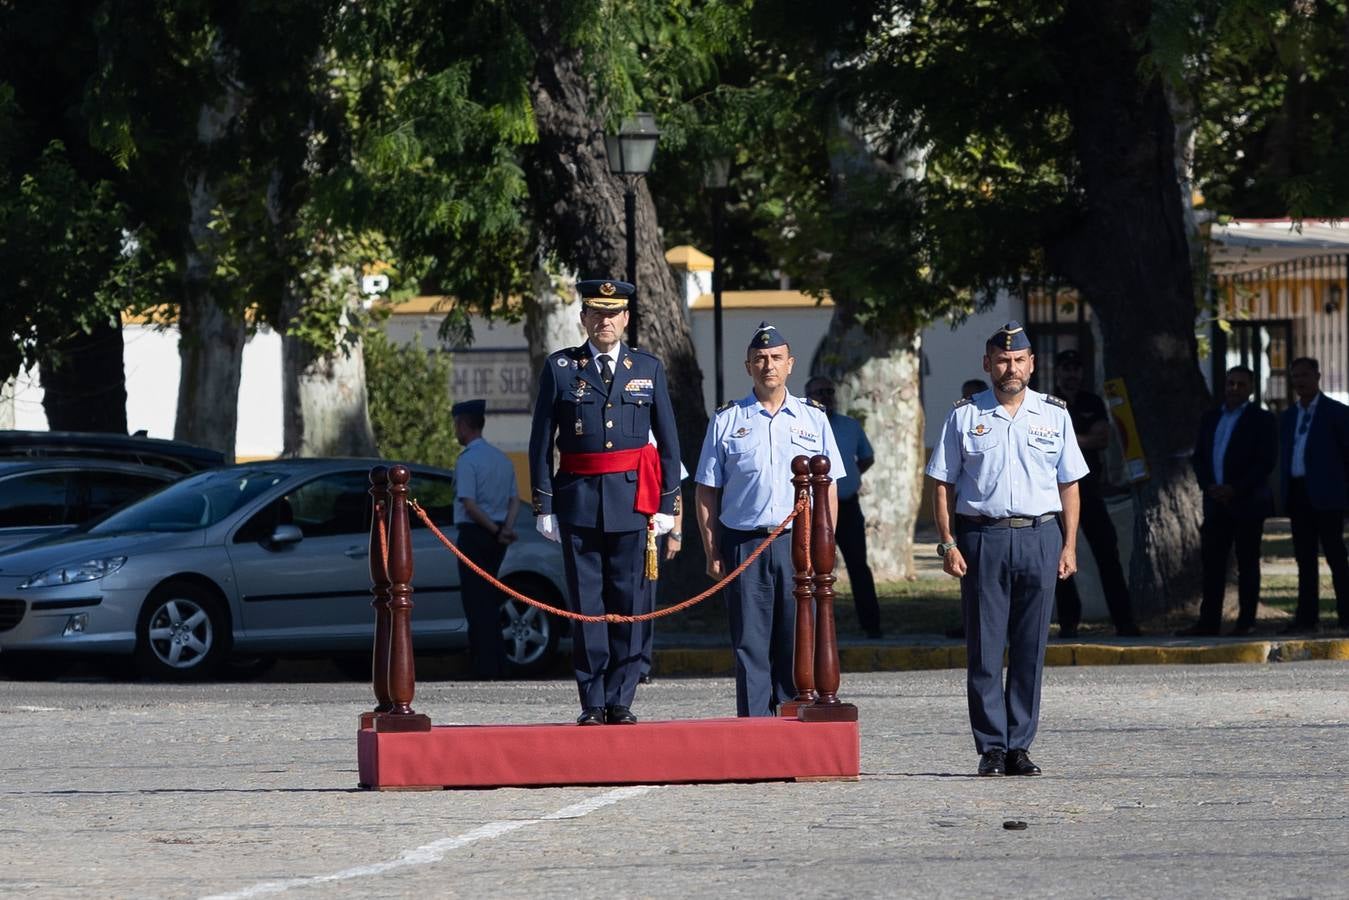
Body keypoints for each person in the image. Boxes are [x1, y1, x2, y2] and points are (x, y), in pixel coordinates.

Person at [925, 321, 1088, 777]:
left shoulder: (1054, 414)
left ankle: (1020, 744)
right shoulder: (963, 415)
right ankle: (992, 746)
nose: (1010, 368)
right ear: (986, 363)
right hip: (983, 537)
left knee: (1030, 646)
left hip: (1040, 534)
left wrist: (1069, 544)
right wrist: (947, 544)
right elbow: (942, 484)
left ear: (1032, 365)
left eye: (1018, 360)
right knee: (984, 647)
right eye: (1001, 360)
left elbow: (1069, 484)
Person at [528, 278, 680, 725]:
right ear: (584, 319)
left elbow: (669, 443)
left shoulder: (646, 368)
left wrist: (668, 504)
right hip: (578, 500)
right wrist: (545, 504)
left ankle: (622, 697)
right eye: (596, 313)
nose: (605, 321)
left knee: (630, 602)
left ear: (626, 319)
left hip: (634, 501)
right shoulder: (561, 368)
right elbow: (541, 443)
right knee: (586, 605)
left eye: (613, 314)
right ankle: (592, 700)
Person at [695, 322, 845, 717]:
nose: (768, 365)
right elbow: (707, 489)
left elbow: (829, 488)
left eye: (776, 358)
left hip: (799, 543)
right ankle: (755, 729)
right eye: (760, 359)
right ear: (748, 367)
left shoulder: (813, 418)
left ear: (790, 364)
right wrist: (713, 551)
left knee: (797, 639)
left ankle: (792, 723)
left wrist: (825, 546)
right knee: (749, 641)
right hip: (744, 544)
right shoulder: (727, 419)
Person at [1178, 366, 1276, 637]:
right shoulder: (1211, 418)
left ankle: (1246, 622)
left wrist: (1235, 488)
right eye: (1230, 383)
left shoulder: (1262, 420)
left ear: (1251, 388)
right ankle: (1208, 622)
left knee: (1247, 563)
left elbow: (1265, 461)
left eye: (1241, 384)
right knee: (1212, 565)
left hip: (1246, 503)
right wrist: (1209, 486)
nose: (1234, 389)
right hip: (1215, 502)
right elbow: (1199, 457)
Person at [1050, 349, 1140, 637]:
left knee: (1107, 554)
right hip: (1056, 494)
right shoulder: (1048, 404)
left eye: (1076, 369)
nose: (1071, 374)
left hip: (1090, 490)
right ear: (1057, 372)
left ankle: (1124, 622)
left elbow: (1101, 439)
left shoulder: (1092, 402)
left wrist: (1067, 439)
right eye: (1066, 368)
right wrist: (1080, 440)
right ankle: (1068, 624)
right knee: (1059, 558)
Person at [804, 375, 882, 639]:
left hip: (847, 507)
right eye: (819, 392)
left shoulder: (849, 426)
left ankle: (871, 625)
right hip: (812, 510)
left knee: (858, 565)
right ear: (808, 396)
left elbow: (867, 457)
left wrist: (849, 476)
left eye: (829, 391)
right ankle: (812, 627)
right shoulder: (801, 424)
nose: (825, 396)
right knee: (812, 568)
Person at [450, 399, 520, 679]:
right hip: (498, 535)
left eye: (456, 425)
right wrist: (505, 528)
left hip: (477, 533)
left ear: (464, 425)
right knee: (489, 601)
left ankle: (484, 665)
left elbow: (469, 503)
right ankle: (497, 663)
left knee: (476, 603)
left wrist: (492, 529)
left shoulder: (468, 460)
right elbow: (515, 499)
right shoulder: (501, 458)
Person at [1279, 356, 1349, 634]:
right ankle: (1307, 618)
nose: (1300, 382)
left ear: (1317, 377)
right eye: (1295, 376)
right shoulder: (1289, 416)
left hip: (1328, 495)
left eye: (1305, 376)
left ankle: (1346, 616)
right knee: (1304, 559)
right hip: (1298, 494)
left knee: (1335, 555)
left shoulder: (1337, 413)